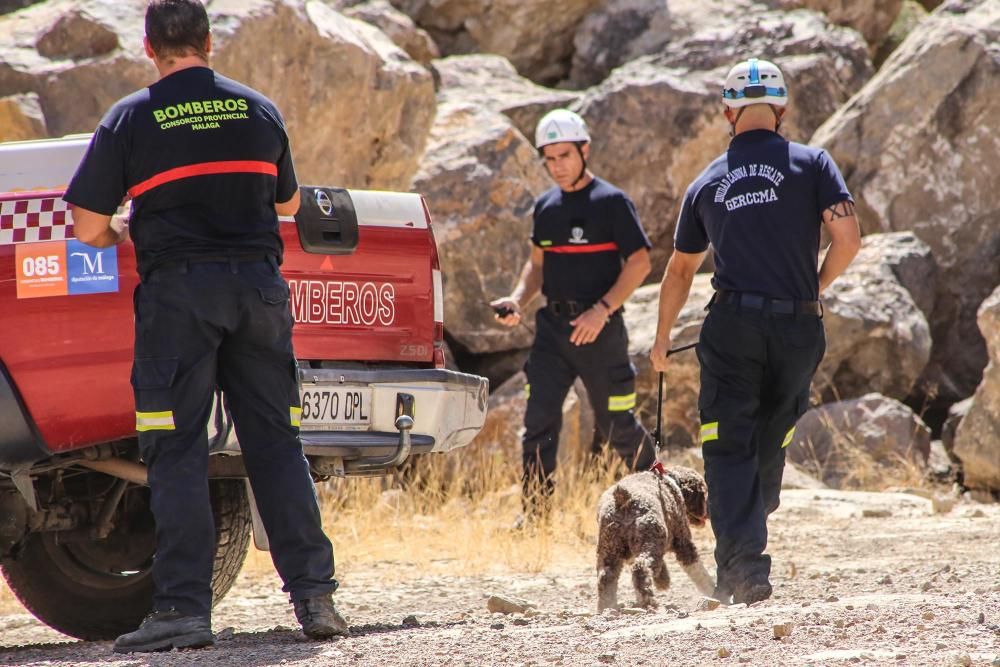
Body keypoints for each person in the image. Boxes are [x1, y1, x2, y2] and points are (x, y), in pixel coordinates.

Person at [64, 0, 348, 652]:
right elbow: (290, 203)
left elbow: (85, 224)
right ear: (210, 42)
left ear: (148, 49)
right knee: (276, 444)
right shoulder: (259, 109)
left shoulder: (130, 117)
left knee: (176, 449)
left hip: (180, 301)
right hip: (259, 293)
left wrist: (116, 233)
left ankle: (183, 610)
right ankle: (316, 598)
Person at [650, 58, 861, 604]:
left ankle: (743, 563)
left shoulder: (707, 181)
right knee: (773, 434)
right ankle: (752, 528)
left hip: (734, 326)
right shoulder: (813, 163)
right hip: (798, 326)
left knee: (726, 445)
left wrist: (659, 342)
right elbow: (848, 238)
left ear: (728, 112)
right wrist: (814, 287)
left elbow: (679, 270)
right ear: (782, 109)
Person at [492, 108, 657, 520]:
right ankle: (535, 518)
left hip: (600, 331)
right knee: (538, 424)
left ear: (585, 150)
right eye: (549, 158)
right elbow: (537, 266)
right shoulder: (546, 206)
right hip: (552, 332)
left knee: (618, 424)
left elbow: (640, 263)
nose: (557, 166)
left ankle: (665, 500)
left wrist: (602, 311)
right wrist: (517, 300)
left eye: (564, 155)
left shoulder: (613, 202)